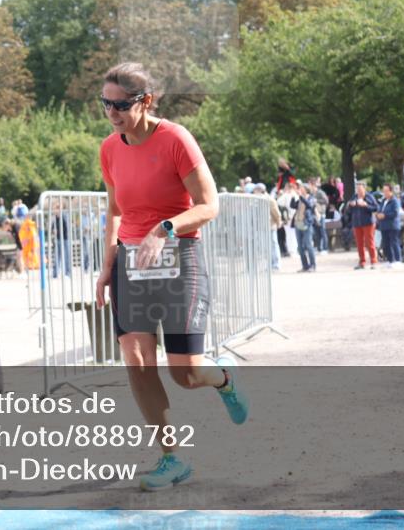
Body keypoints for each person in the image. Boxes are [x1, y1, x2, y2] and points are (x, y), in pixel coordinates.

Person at [94, 62, 248, 492]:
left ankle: (223, 378)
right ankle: (171, 457)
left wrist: (164, 230)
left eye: (121, 105)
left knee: (186, 374)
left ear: (147, 101)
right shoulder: (110, 148)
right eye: (105, 104)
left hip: (179, 256)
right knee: (137, 360)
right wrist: (107, 265)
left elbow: (208, 204)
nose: (112, 113)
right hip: (131, 263)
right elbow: (115, 212)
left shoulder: (175, 139)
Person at [348, 181, 379, 270]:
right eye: (357, 189)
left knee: (370, 243)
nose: (358, 191)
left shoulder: (369, 197)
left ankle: (374, 261)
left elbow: (376, 208)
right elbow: (349, 209)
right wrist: (351, 205)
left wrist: (366, 205)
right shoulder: (354, 197)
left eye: (360, 189)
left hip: (368, 223)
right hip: (357, 223)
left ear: (364, 189)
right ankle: (362, 262)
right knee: (359, 244)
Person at [254, 183, 281, 271]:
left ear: (260, 190)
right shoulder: (258, 199)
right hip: (262, 226)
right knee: (266, 247)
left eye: (255, 190)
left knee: (273, 245)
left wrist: (278, 222)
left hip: (270, 225)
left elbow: (276, 213)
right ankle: (269, 265)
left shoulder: (269, 200)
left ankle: (276, 265)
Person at [292, 183, 317, 272]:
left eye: (301, 188)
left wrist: (301, 197)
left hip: (307, 224)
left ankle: (313, 265)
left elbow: (309, 205)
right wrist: (293, 196)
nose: (300, 189)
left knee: (308, 245)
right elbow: (293, 206)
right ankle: (305, 266)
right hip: (298, 223)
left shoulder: (312, 198)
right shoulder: (300, 198)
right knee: (300, 247)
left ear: (306, 189)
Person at [376, 184, 402, 267]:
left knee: (394, 242)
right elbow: (380, 210)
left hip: (392, 225)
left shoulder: (394, 201)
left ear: (391, 191)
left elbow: (395, 212)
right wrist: (378, 214)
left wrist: (384, 215)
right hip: (384, 225)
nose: (385, 193)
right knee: (386, 244)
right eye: (384, 191)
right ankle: (390, 260)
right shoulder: (383, 201)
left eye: (386, 191)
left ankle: (398, 260)